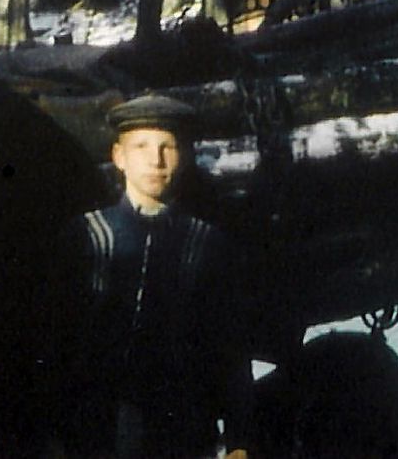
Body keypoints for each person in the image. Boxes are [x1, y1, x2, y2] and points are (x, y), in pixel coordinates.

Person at [47, 93, 254, 459]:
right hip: (96, 429)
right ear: (119, 157)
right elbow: (53, 340)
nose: (155, 160)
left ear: (185, 157)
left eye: (167, 146)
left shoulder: (206, 243)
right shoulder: (86, 236)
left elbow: (228, 349)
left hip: (182, 428)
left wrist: (239, 439)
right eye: (141, 146)